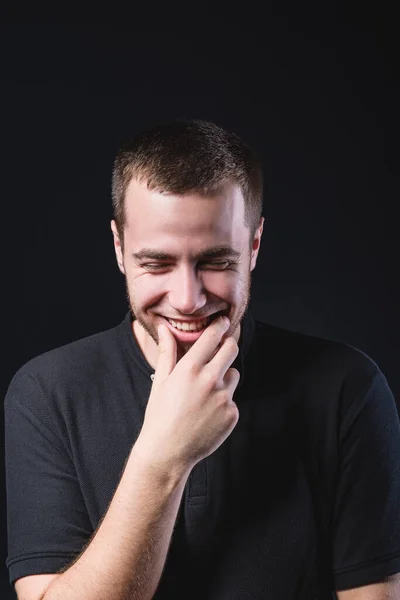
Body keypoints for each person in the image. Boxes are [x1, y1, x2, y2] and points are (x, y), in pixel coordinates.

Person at [4, 118, 400, 600]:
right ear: (119, 249)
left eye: (216, 261)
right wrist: (163, 458)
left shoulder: (347, 388)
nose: (188, 299)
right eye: (157, 263)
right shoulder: (47, 394)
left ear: (252, 247)